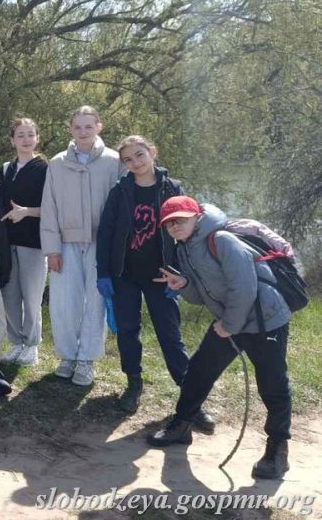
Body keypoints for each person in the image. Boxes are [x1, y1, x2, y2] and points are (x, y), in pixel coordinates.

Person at [147, 196, 291, 480]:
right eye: (169, 223)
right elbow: (201, 297)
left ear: (197, 216)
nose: (175, 226)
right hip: (231, 320)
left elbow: (245, 286)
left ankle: (277, 451)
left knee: (273, 385)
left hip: (265, 320)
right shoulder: (184, 248)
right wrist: (183, 284)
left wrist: (228, 325)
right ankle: (182, 426)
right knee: (198, 371)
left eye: (181, 219)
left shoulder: (222, 239)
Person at [96, 136, 190, 414]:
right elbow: (106, 234)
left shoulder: (172, 189)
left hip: (162, 276)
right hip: (124, 275)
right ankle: (133, 384)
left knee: (170, 334)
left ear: (152, 152)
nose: (135, 162)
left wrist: (181, 273)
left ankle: (189, 394)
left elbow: (187, 234)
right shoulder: (120, 191)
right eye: (128, 159)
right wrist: (104, 273)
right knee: (127, 331)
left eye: (140, 155)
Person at [39, 106, 123, 386]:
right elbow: (49, 207)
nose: (83, 131)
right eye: (77, 127)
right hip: (66, 242)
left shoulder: (114, 161)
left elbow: (123, 206)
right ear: (70, 129)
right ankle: (67, 356)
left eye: (88, 126)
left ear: (99, 126)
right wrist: (52, 248)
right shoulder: (57, 162)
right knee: (64, 302)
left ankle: (87, 360)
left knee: (96, 301)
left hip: (101, 243)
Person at [0, 118, 49, 367]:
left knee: (32, 296)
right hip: (7, 241)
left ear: (37, 138)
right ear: (12, 140)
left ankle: (32, 345)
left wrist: (27, 212)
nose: (26, 139)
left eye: (30, 135)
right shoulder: (6, 169)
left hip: (34, 242)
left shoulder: (45, 168)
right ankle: (16, 342)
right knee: (10, 295)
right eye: (20, 135)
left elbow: (53, 207)